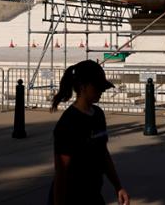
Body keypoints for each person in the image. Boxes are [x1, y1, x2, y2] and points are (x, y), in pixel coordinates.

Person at [49, 60, 130, 205]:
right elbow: (61, 173)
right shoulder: (68, 123)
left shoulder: (98, 114)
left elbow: (103, 154)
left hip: (93, 194)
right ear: (83, 87)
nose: (102, 91)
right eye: (97, 87)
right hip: (72, 197)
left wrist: (118, 187)